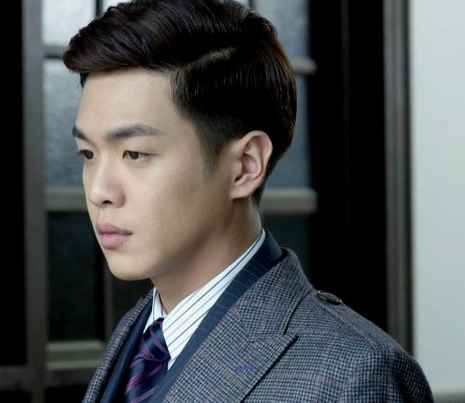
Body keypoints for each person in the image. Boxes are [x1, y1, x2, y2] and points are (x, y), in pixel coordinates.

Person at [63, 0, 433, 401]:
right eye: (88, 154)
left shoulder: (352, 374)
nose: (99, 191)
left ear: (245, 166)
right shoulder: (139, 334)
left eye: (135, 154)